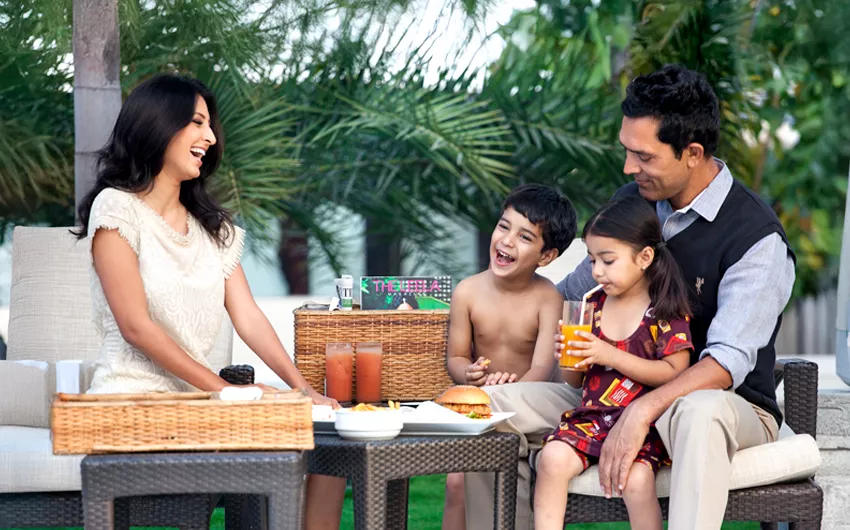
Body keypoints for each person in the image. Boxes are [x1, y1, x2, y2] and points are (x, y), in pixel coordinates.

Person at [464, 64, 795, 530]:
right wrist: (492, 333)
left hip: (721, 404)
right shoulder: (631, 201)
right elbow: (569, 295)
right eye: (626, 150)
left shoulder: (755, 237)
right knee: (490, 407)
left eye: (643, 156)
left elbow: (725, 365)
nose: (628, 167)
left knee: (700, 412)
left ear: (692, 153)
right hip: (607, 391)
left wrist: (642, 411)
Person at [72, 73, 345, 528]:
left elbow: (249, 317)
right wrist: (226, 390)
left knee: (322, 429)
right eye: (197, 123)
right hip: (133, 402)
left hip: (203, 403)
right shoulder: (116, 208)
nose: (211, 137)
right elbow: (135, 326)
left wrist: (303, 390)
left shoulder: (213, 228)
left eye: (209, 126)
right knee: (286, 426)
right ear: (159, 124)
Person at [534, 196, 693, 530]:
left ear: (644, 257)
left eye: (607, 261)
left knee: (637, 481)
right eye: (592, 260)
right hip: (592, 419)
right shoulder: (592, 305)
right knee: (551, 459)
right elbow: (575, 381)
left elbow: (674, 372)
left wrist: (608, 355)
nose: (596, 272)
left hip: (643, 427)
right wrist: (570, 358)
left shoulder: (664, 309)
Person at [443, 183, 578, 530]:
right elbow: (456, 357)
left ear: (546, 256)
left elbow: (542, 368)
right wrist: (469, 373)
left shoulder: (548, 298)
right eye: (504, 226)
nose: (506, 241)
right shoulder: (467, 292)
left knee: (492, 463)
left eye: (524, 237)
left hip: (531, 411)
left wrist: (511, 391)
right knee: (455, 482)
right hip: (482, 406)